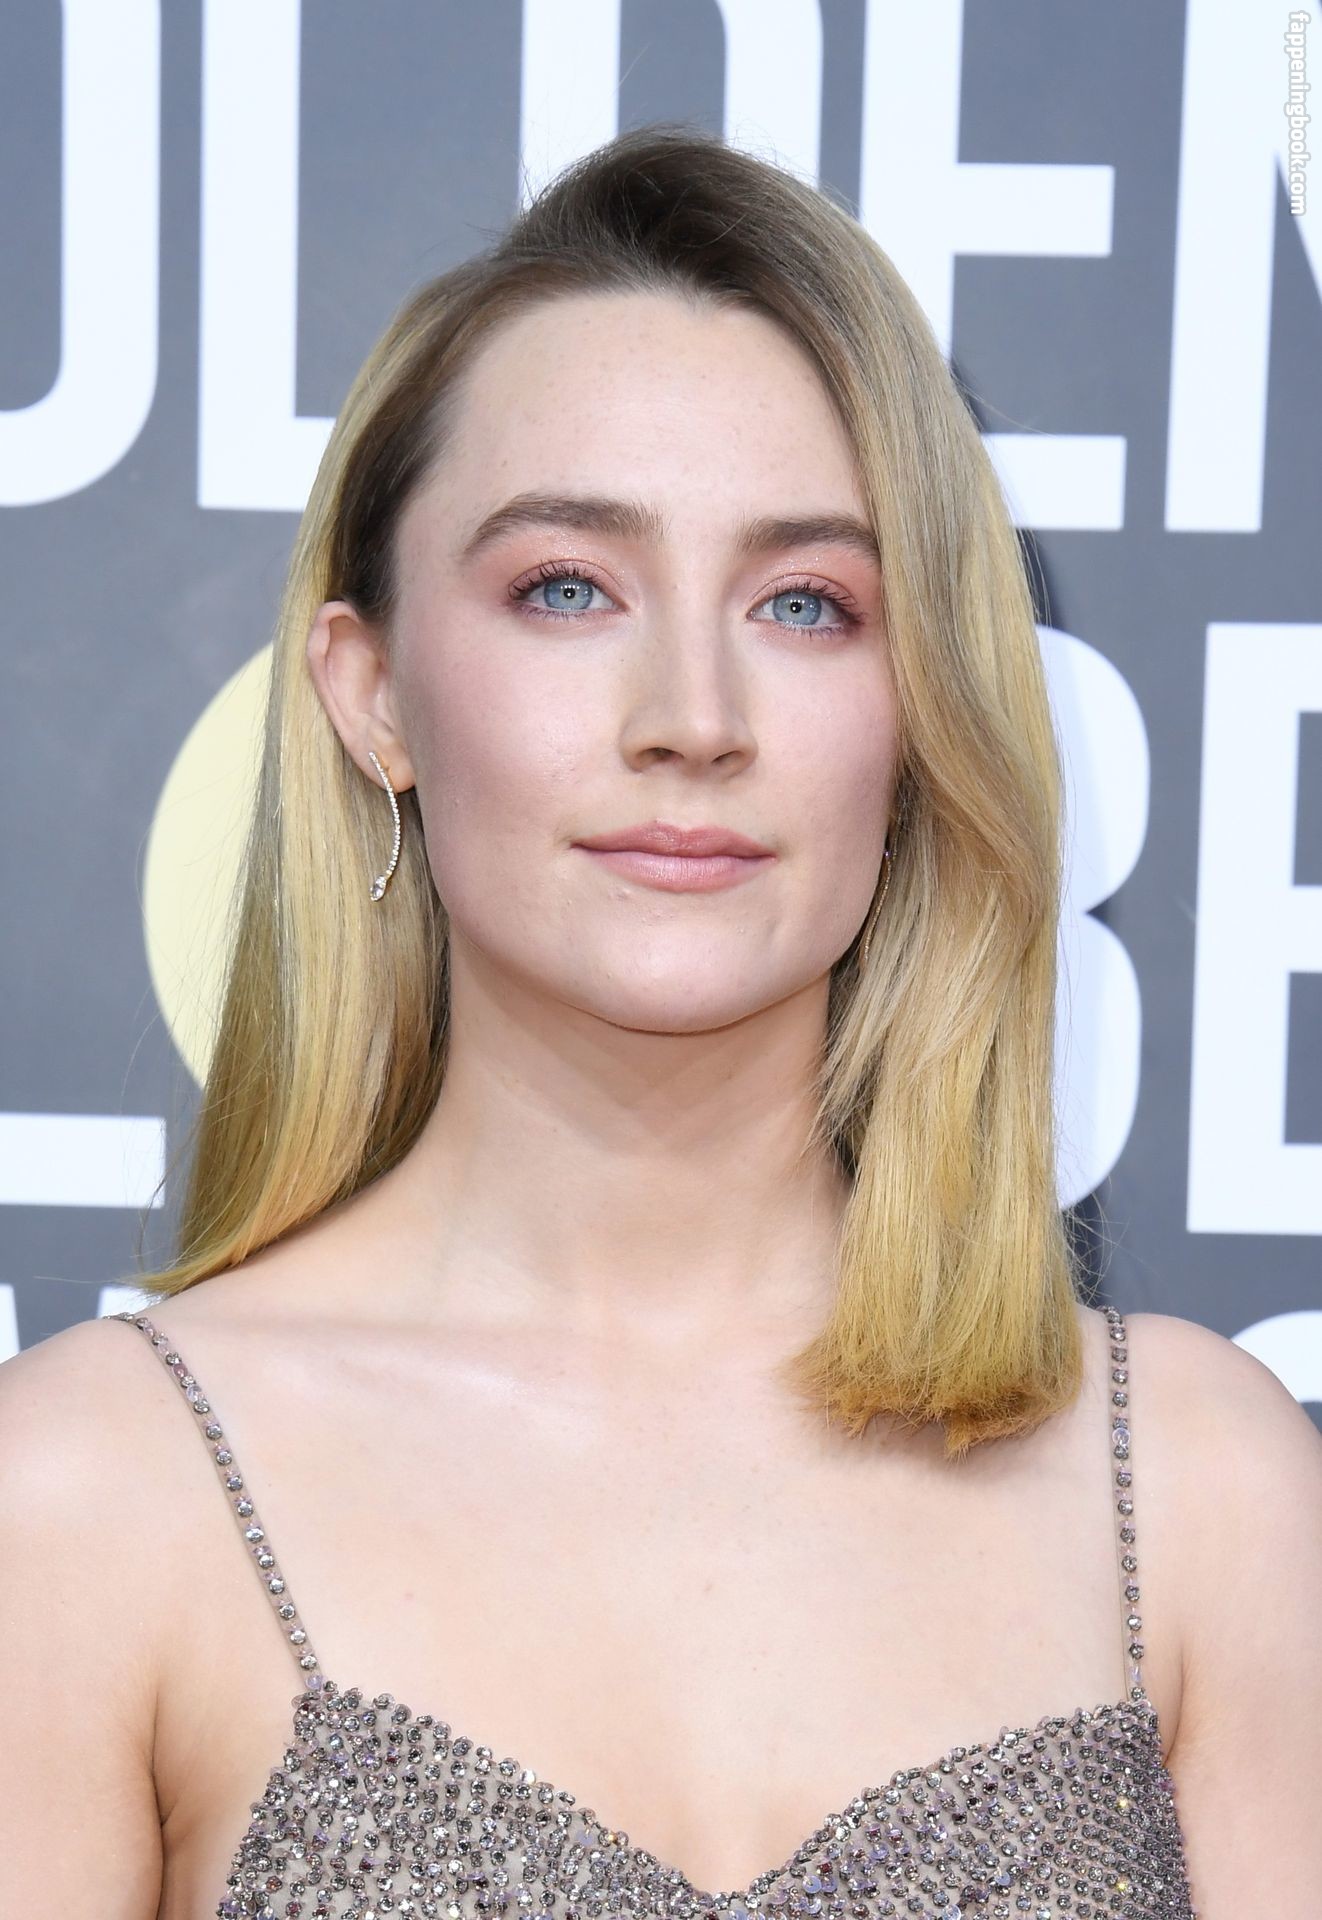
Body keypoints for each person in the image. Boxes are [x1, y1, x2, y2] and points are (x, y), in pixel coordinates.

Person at [2, 122, 1319, 1920]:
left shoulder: (1194, 1488)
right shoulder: (88, 1495)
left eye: (805, 605)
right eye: (567, 587)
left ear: (920, 711)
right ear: (372, 695)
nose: (693, 715)